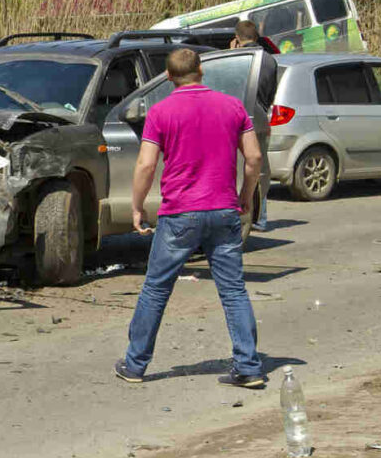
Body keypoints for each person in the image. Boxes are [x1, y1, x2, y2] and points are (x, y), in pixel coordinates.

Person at [114, 48, 266, 388]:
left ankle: (135, 365)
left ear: (168, 77)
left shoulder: (160, 111)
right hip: (224, 210)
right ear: (201, 71)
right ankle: (249, 367)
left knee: (156, 289)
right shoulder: (233, 106)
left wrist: (137, 206)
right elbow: (254, 157)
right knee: (233, 290)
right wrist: (245, 194)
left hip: (180, 213)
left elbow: (146, 164)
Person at [231, 21, 271, 232]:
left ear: (237, 38)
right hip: (261, 117)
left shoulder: (239, 58)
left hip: (239, 118)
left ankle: (242, 213)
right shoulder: (269, 59)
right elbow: (270, 93)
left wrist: (231, 54)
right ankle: (260, 217)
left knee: (237, 165)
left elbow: (232, 84)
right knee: (260, 168)